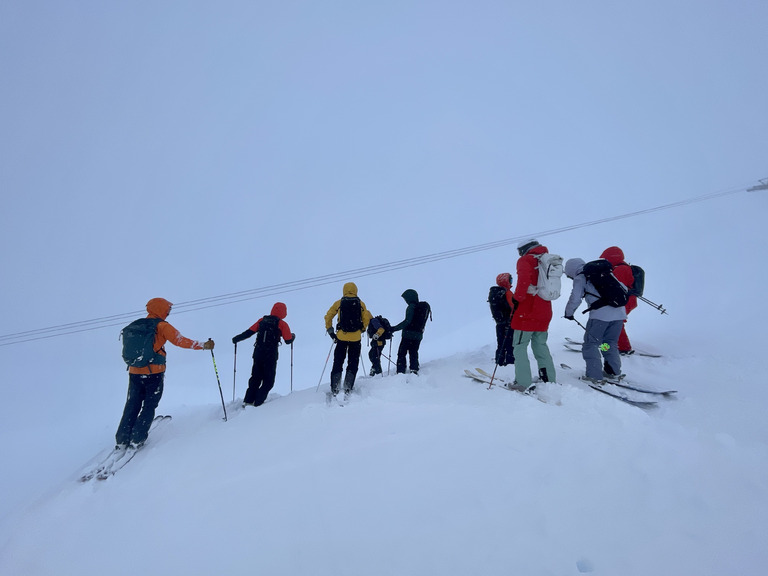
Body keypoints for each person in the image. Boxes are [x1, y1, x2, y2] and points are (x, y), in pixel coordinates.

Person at [116, 298, 213, 449]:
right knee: (149, 405)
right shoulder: (161, 326)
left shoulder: (136, 324)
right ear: (161, 309)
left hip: (134, 372)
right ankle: (137, 438)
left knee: (132, 403)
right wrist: (203, 345)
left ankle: (122, 438)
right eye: (167, 309)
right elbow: (180, 341)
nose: (168, 312)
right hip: (154, 373)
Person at [563, 258, 627, 383]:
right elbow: (623, 288)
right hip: (619, 313)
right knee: (609, 343)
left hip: (600, 316)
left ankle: (594, 376)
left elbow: (575, 298)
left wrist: (568, 313)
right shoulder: (605, 272)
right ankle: (613, 372)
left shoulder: (581, 277)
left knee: (590, 344)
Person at [510, 239, 557, 392]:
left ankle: (522, 382)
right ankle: (548, 378)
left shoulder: (525, 260)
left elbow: (523, 283)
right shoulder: (546, 260)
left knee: (519, 347)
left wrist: (516, 299)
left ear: (524, 249)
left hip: (527, 312)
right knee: (541, 346)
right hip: (544, 311)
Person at [232, 302, 295, 407]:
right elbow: (288, 341)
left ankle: (248, 401)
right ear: (284, 312)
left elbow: (249, 332)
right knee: (268, 381)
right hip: (270, 355)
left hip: (258, 353)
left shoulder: (262, 320)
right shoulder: (282, 324)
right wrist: (293, 336)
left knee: (255, 378)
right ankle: (258, 403)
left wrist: (236, 339)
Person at [324, 282, 372, 397]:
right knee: (353, 362)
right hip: (356, 338)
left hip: (341, 337)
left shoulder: (339, 303)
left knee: (338, 361)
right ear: (356, 290)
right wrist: (362, 329)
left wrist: (330, 331)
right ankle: (348, 386)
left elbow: (328, 315)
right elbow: (366, 316)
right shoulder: (360, 303)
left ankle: (335, 387)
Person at [600, 246, 638, 355]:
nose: (605, 261)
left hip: (624, 301)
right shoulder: (619, 267)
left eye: (606, 258)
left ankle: (623, 348)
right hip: (625, 301)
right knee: (615, 322)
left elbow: (615, 287)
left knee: (615, 323)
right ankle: (618, 345)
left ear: (613, 257)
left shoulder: (621, 269)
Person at [391, 289, 431, 375]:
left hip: (408, 334)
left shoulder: (411, 307)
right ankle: (414, 368)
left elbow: (407, 321)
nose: (405, 301)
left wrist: (394, 328)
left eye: (406, 299)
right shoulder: (423, 308)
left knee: (401, 353)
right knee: (413, 352)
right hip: (418, 335)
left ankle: (401, 371)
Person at [488, 272, 515, 366]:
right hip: (509, 323)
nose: (511, 282)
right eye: (510, 280)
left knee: (501, 343)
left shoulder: (494, 292)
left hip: (499, 323)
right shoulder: (507, 293)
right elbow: (513, 307)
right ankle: (510, 363)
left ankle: (499, 360)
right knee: (510, 343)